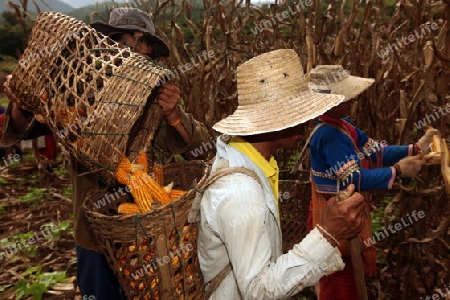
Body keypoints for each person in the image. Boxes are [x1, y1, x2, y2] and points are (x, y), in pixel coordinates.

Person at [1, 7, 211, 300]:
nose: (129, 48)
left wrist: (174, 114)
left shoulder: (158, 98)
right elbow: (23, 131)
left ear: (150, 50)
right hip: (94, 236)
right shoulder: (80, 89)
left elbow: (203, 149)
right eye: (120, 39)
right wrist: (20, 103)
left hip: (151, 234)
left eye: (139, 41)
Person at [197, 49, 368, 299]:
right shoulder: (240, 191)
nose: (308, 122)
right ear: (276, 122)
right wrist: (327, 233)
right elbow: (257, 291)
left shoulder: (255, 163)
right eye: (301, 114)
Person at [306, 65, 436, 299]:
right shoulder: (327, 135)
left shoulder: (344, 125)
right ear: (329, 103)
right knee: (339, 285)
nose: (352, 101)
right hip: (333, 218)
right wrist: (398, 170)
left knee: (345, 281)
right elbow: (353, 178)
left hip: (344, 216)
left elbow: (376, 152)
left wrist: (415, 148)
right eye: (346, 97)